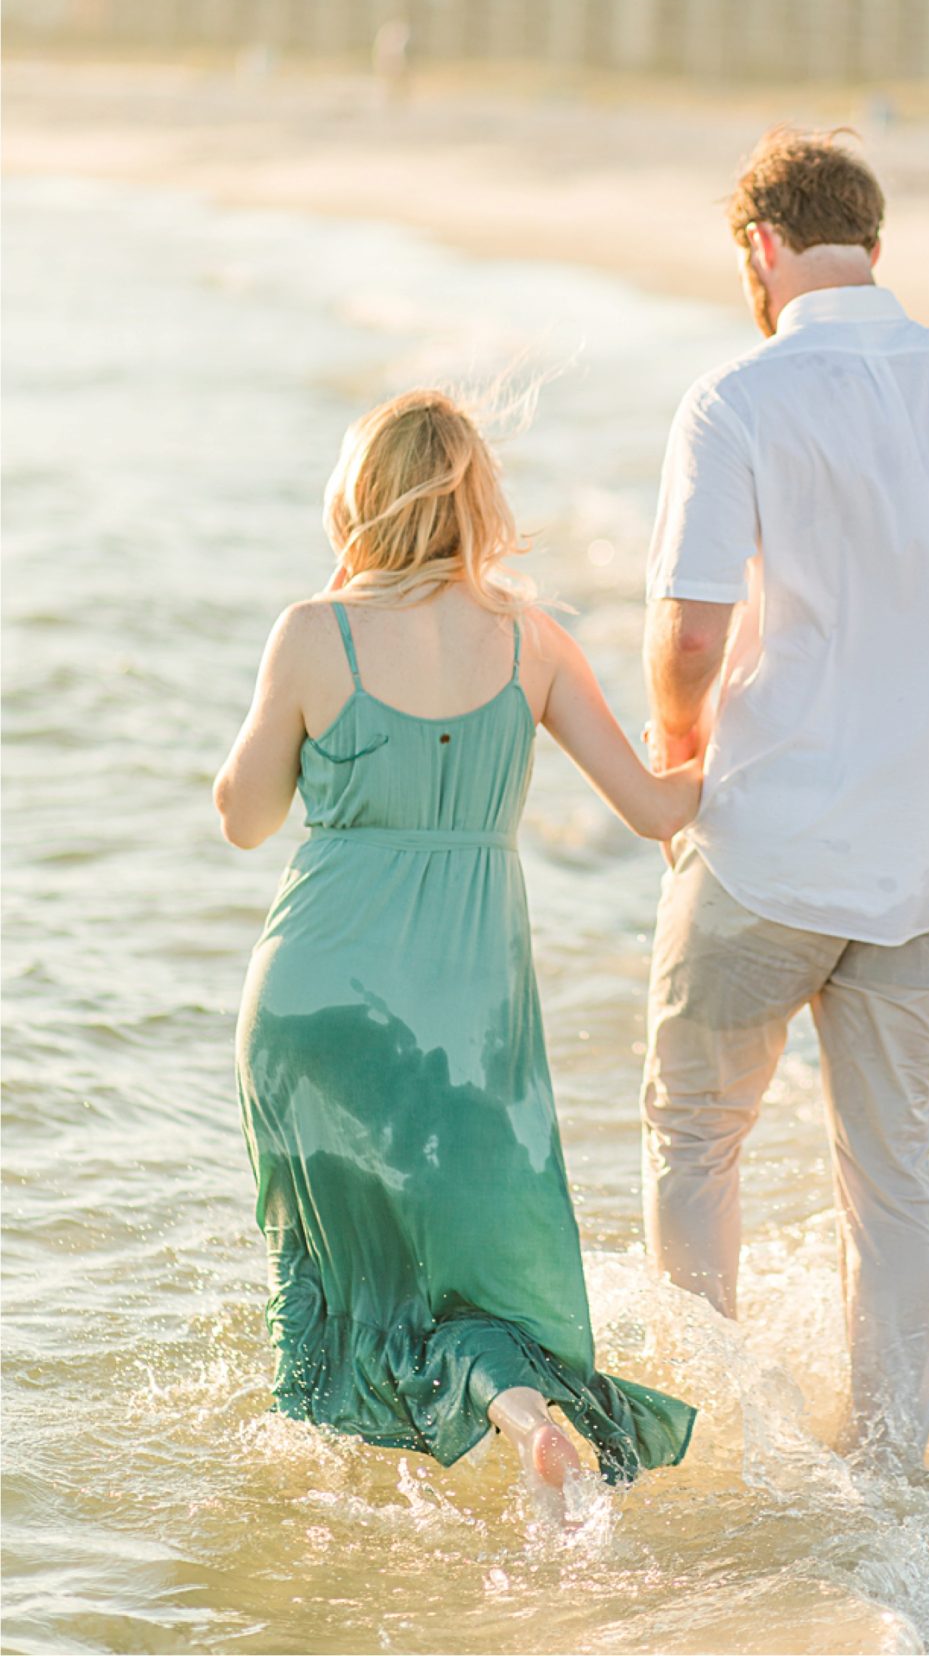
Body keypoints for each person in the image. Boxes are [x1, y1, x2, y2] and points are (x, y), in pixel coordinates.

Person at [641, 127, 929, 1468]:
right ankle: (887, 1469)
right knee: (890, 1178)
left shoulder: (736, 396)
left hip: (763, 853)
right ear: (876, 247)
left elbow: (685, 636)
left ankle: (706, 1443)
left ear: (759, 250)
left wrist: (679, 754)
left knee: (693, 1143)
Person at [215, 388, 698, 1515]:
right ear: (478, 500)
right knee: (472, 1275)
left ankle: (320, 1543)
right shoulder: (531, 640)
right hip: (464, 1028)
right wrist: (734, 726)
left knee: (328, 1276)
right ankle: (522, 1411)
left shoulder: (311, 630)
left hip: (308, 1003)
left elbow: (243, 817)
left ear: (359, 501)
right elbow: (651, 804)